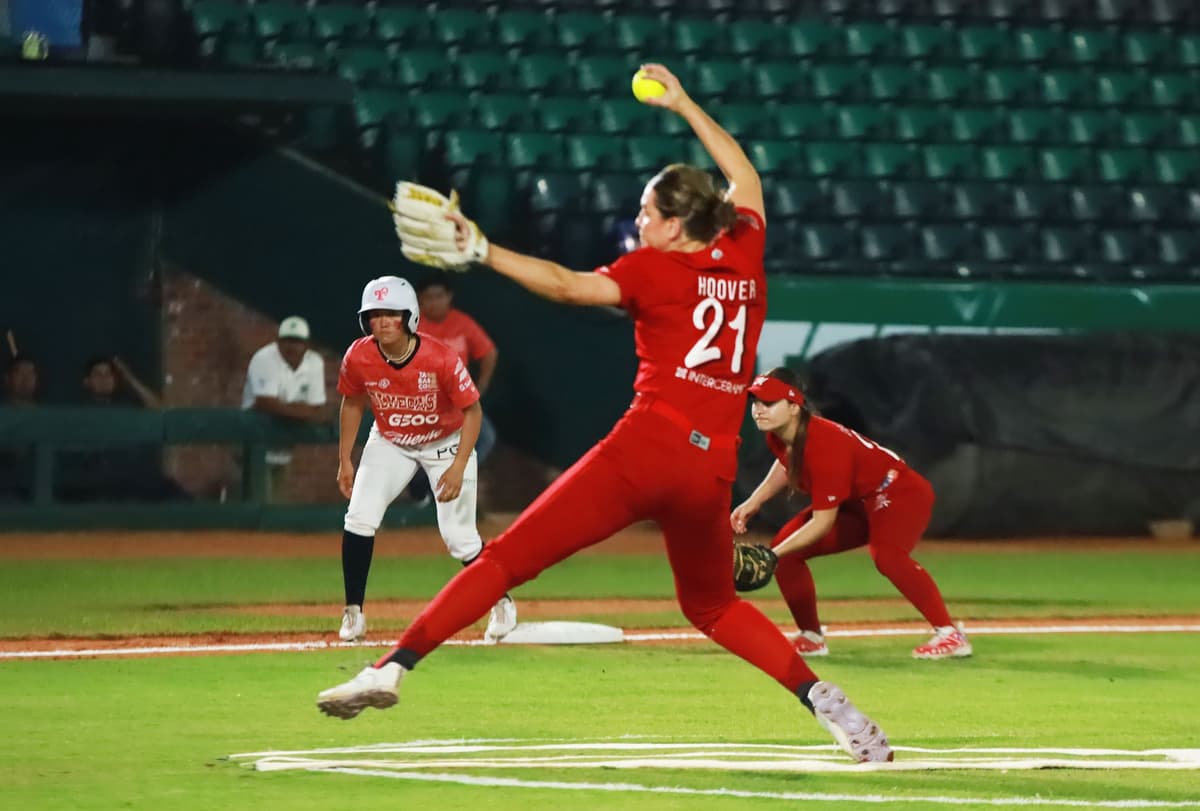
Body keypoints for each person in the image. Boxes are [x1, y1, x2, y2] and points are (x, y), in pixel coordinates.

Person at [317, 64, 893, 764]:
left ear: (676, 222)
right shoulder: (743, 251)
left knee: (505, 559)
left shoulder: (655, 269)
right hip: (710, 467)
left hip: (646, 448)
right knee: (712, 607)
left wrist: (481, 249)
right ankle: (822, 699)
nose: (639, 220)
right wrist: (684, 103)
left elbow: (565, 286)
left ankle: (392, 667)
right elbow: (744, 173)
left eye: (649, 212)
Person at [732, 368, 972, 660]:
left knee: (888, 557)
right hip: (859, 503)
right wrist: (755, 501)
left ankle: (950, 634)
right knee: (788, 551)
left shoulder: (823, 445)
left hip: (898, 493)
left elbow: (823, 523)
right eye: (756, 402)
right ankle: (811, 637)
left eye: (768, 403)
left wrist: (773, 555)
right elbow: (786, 463)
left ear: (794, 407)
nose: (758, 410)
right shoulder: (782, 434)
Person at [334, 275, 516, 646]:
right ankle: (353, 612)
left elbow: (473, 413)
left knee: (459, 539)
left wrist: (458, 465)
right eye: (375, 315)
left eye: (391, 314)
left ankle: (501, 600)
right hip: (391, 440)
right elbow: (352, 402)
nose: (383, 322)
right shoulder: (359, 354)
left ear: (409, 317)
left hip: (445, 442)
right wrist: (345, 460)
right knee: (359, 517)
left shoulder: (440, 357)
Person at [405, 272, 500, 504]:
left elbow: (489, 352)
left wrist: (481, 386)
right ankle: (420, 488)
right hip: (426, 401)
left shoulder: (462, 322)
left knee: (485, 438)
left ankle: (443, 483)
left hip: (460, 401)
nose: (435, 302)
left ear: (449, 297)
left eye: (440, 296)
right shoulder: (413, 327)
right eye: (429, 297)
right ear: (419, 300)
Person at [241, 316, 328, 496]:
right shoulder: (265, 358)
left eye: (297, 341)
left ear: (306, 345)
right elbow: (265, 403)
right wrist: (305, 413)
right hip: (253, 438)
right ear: (278, 342)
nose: (291, 347)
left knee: (274, 497)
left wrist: (294, 411)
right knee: (255, 497)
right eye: (287, 341)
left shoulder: (314, 363)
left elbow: (319, 408)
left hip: (284, 441)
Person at [81, 355, 161, 407]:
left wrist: (130, 378)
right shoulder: (80, 410)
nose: (104, 378)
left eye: (108, 374)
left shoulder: (126, 406)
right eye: (97, 374)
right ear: (87, 381)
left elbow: (157, 408)